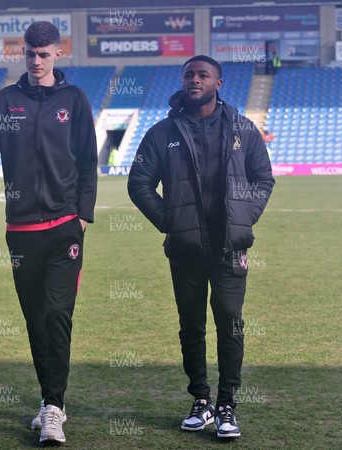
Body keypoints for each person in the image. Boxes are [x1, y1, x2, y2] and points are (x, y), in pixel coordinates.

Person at [0, 21, 97, 444]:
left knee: (56, 315)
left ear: (58, 53)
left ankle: (53, 408)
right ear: (23, 54)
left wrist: (82, 215)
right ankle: (51, 400)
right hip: (20, 232)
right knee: (36, 320)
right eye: (30, 54)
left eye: (44, 54)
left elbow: (89, 161)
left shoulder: (74, 99)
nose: (36, 61)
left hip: (64, 229)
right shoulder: (5, 100)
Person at [128, 55, 274, 439]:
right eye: (189, 74)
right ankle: (200, 401)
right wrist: (171, 222)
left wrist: (245, 215)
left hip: (230, 246)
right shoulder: (162, 132)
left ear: (218, 83)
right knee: (191, 327)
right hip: (186, 249)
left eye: (202, 74)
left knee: (230, 323)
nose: (194, 79)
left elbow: (263, 179)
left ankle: (227, 405)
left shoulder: (243, 129)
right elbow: (139, 184)